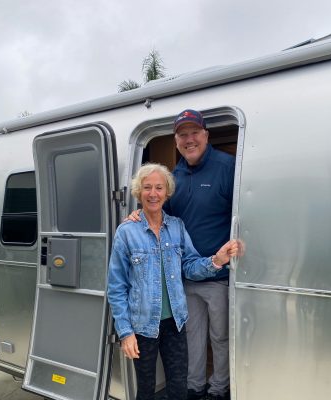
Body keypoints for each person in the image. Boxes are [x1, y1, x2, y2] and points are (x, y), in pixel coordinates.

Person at [128, 109, 236, 400]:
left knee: (221, 337)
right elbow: (159, 213)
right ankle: (194, 386)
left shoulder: (227, 167)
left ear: (206, 135)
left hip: (219, 275)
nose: (189, 140)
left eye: (194, 133)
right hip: (183, 277)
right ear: (176, 141)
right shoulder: (174, 177)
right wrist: (137, 214)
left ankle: (218, 388)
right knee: (192, 336)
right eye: (182, 135)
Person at [107, 163, 238, 400]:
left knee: (178, 387)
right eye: (147, 187)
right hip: (143, 325)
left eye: (159, 188)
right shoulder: (126, 232)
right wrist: (125, 332)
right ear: (138, 192)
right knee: (146, 390)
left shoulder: (177, 226)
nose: (153, 193)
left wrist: (216, 260)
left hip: (175, 323)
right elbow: (117, 287)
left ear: (167, 192)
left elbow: (189, 266)